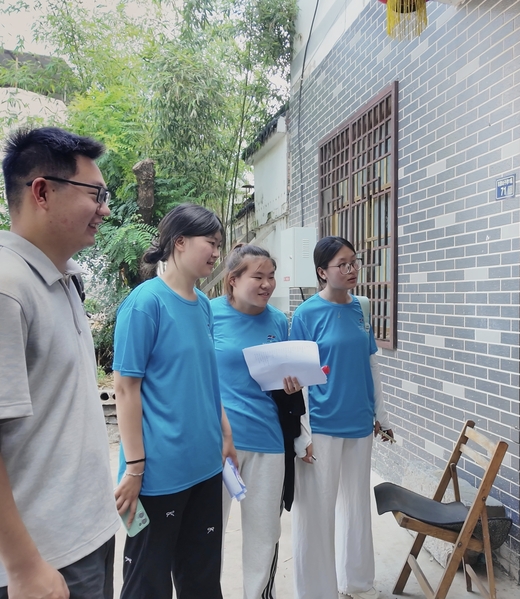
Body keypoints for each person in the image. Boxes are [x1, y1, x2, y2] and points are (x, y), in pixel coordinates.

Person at [0, 127, 118, 599]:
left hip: (87, 535)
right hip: (45, 558)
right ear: (43, 192)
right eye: (96, 195)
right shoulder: (7, 288)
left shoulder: (62, 278)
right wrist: (24, 566)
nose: (105, 210)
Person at [113, 203, 235, 599]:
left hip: (205, 466)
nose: (216, 252)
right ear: (179, 242)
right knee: (147, 583)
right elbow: (125, 388)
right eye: (210, 242)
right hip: (158, 474)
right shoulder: (144, 304)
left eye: (219, 244)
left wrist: (225, 434)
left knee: (202, 580)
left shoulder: (203, 305)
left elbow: (206, 378)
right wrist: (135, 468)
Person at [289, 236, 393, 599]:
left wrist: (381, 415)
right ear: (322, 272)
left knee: (356, 506)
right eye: (342, 264)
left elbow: (371, 365)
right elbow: (297, 381)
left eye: (354, 262)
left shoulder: (361, 308)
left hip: (360, 423)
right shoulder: (306, 315)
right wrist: (302, 434)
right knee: (317, 511)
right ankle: (316, 591)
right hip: (321, 426)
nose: (351, 269)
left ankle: (358, 583)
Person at [211, 244, 303, 599]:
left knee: (265, 536)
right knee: (209, 534)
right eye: (258, 277)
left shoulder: (278, 321)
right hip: (218, 445)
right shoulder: (208, 314)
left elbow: (283, 383)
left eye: (271, 277)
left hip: (268, 441)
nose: (267, 284)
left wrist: (292, 385)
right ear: (233, 280)